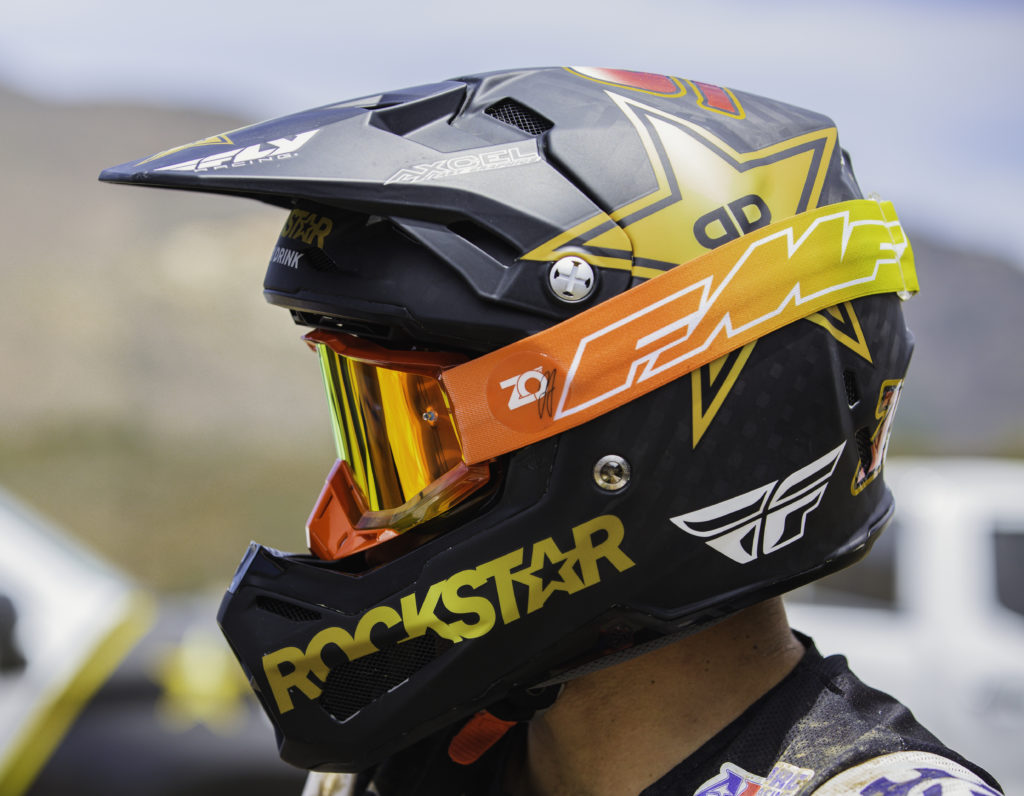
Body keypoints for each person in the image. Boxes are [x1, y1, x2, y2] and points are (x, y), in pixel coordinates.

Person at [101, 67, 1003, 795]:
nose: (359, 522)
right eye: (380, 440)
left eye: (431, 442)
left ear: (633, 455)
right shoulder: (402, 769)